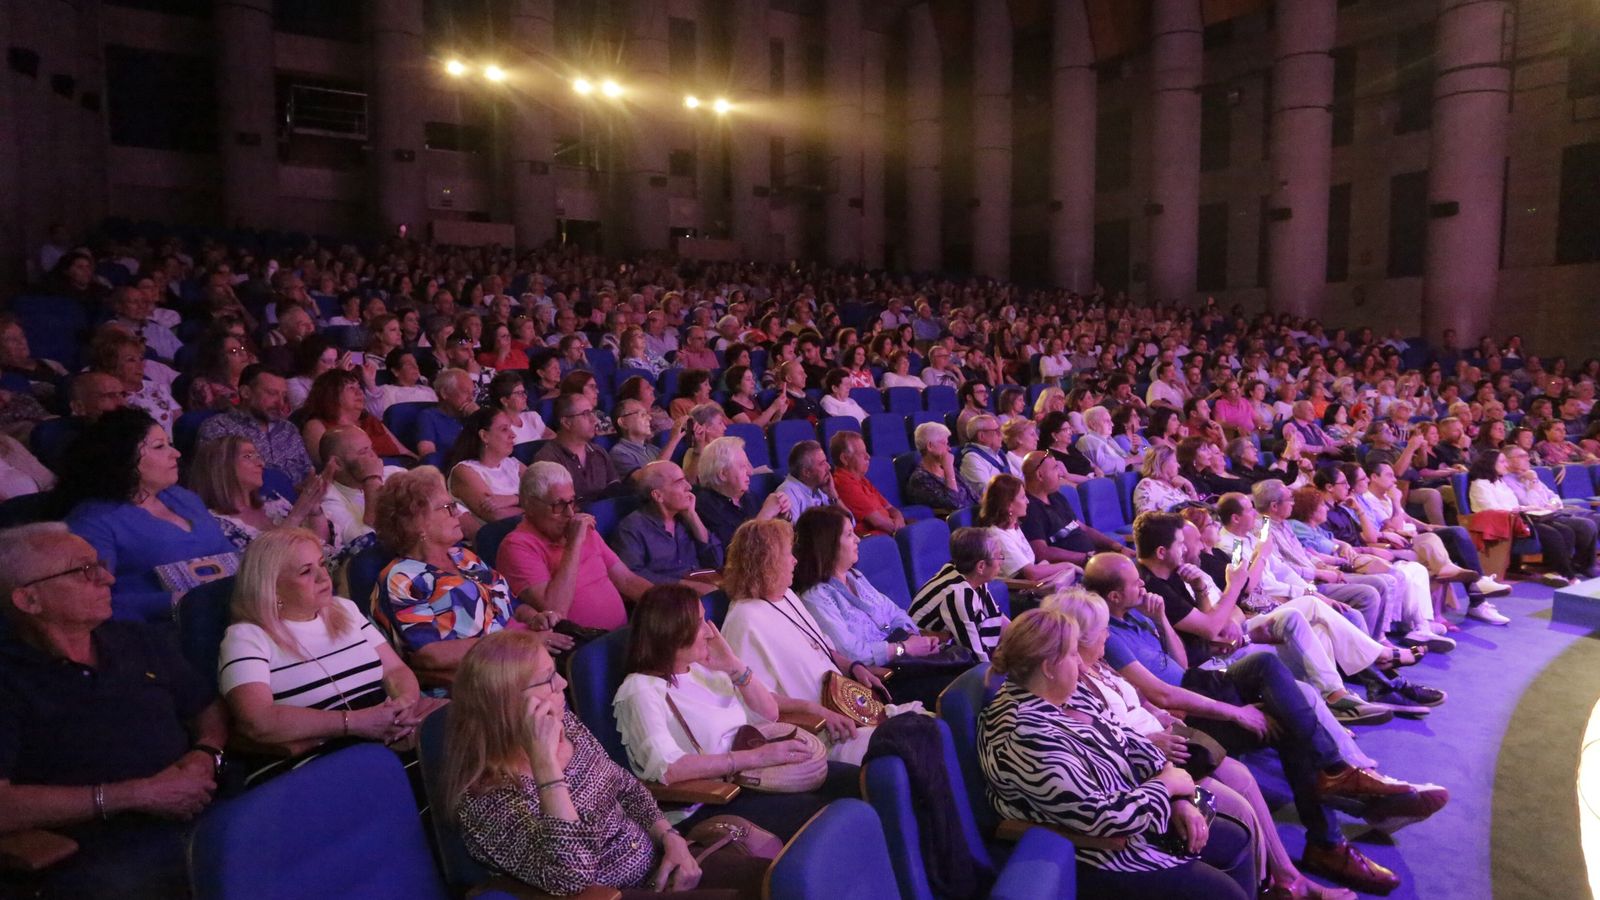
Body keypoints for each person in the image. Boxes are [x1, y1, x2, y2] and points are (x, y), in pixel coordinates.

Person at [1081, 552, 1441, 895]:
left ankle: (1337, 793)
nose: (1143, 586)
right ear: (1114, 595)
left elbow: (1179, 663)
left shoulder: (1140, 612)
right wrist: (1238, 713)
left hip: (1197, 683)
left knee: (1273, 677)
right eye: (1134, 583)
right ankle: (1332, 823)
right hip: (1185, 712)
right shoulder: (1106, 636)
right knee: (1286, 720)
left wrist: (1159, 620)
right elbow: (1165, 695)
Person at [1049, 589, 1357, 900]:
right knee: (1242, 803)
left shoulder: (1101, 664)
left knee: (1282, 722)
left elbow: (1155, 688)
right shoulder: (1072, 684)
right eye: (1102, 629)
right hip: (1154, 759)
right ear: (1080, 638)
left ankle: (1300, 863)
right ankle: (1285, 873)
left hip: (1175, 733)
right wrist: (1151, 740)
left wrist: (1161, 713)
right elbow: (1105, 741)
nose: (1108, 633)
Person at [444, 631, 766, 897]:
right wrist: (546, 767)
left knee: (770, 881)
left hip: (658, 862)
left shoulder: (566, 725)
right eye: (548, 680)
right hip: (614, 894)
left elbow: (624, 786)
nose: (563, 685)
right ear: (507, 703)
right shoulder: (485, 799)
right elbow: (573, 877)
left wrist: (671, 838)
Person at [0, 524, 227, 900]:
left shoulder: (135, 638)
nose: (107, 578)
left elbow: (206, 707)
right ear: (29, 600)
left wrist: (206, 754)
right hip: (103, 844)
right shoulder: (8, 679)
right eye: (83, 570)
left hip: (202, 801)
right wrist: (138, 794)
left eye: (100, 564)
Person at [978, 604, 1258, 900]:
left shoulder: (1069, 693)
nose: (1083, 665)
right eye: (1074, 654)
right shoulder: (1023, 733)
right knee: (1225, 894)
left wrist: (1178, 800)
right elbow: (1099, 817)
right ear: (1048, 667)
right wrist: (1166, 787)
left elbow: (1130, 741)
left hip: (1140, 812)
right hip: (1098, 852)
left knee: (1238, 839)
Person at [613, 585, 859, 838]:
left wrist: (734, 666)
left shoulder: (699, 667)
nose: (709, 631)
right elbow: (669, 768)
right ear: (671, 632)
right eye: (699, 623)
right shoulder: (640, 690)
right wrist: (758, 758)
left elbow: (769, 712)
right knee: (838, 821)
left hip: (757, 776)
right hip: (712, 800)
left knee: (861, 784)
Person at [217, 529, 431, 784]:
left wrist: (403, 705)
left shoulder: (345, 609)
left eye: (321, 564)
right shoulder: (246, 637)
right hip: (316, 762)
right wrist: (355, 723)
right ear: (271, 588)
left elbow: (396, 671)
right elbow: (258, 721)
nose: (323, 577)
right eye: (305, 571)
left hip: (387, 736)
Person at [720, 519, 892, 764]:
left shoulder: (787, 595)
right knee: (903, 745)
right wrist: (818, 712)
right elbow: (758, 704)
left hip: (849, 709)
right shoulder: (743, 619)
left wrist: (853, 667)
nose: (795, 561)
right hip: (819, 733)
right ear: (766, 563)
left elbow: (823, 645)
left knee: (925, 727)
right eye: (788, 554)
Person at [373, 467, 553, 683]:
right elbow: (429, 655)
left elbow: (510, 603)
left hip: (521, 656)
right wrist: (518, 641)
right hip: (481, 680)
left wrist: (534, 617)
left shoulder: (463, 556)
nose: (457, 512)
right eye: (447, 508)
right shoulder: (401, 578)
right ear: (416, 524)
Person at [60, 408, 237, 623]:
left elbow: (230, 559)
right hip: (162, 632)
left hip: (227, 613)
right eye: (159, 447)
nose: (176, 453)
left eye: (169, 444)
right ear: (124, 458)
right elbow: (92, 598)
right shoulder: (94, 521)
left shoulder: (183, 498)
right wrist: (180, 603)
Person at [792, 506, 961, 705]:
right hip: (885, 678)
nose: (857, 540)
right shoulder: (816, 596)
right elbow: (851, 653)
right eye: (849, 535)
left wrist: (914, 638)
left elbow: (896, 612)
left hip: (908, 659)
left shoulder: (856, 577)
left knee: (971, 673)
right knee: (960, 692)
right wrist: (903, 648)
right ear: (827, 545)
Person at [497, 462, 652, 632]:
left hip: (622, 633)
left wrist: (670, 603)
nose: (570, 513)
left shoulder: (582, 529)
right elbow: (555, 610)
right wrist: (574, 543)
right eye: (559, 505)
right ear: (530, 505)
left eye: (571, 502)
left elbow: (627, 580)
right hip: (579, 644)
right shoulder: (517, 546)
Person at [1469, 449, 1595, 585]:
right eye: (1502, 461)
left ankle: (1559, 570)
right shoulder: (1480, 484)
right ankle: (1569, 576)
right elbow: (1492, 510)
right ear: (1490, 463)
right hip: (1502, 524)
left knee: (1566, 530)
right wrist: (1524, 509)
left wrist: (1526, 508)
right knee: (1552, 534)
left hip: (1519, 518)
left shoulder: (1499, 482)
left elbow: (1515, 504)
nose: (1506, 465)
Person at [188, 435, 332, 552]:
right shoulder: (216, 524)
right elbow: (260, 568)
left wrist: (314, 509)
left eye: (258, 455)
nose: (261, 463)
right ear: (220, 467)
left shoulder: (273, 501)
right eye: (248, 456)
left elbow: (321, 545)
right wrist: (297, 514)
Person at [196, 365, 315, 484]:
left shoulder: (288, 429)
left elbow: (307, 472)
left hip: (299, 499)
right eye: (272, 393)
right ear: (246, 393)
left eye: (283, 396)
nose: (280, 403)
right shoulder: (219, 427)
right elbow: (221, 482)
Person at [615, 462, 723, 592]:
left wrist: (692, 516)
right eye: (679, 482)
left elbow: (716, 561)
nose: (689, 487)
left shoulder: (686, 518)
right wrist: (684, 586)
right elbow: (632, 576)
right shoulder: (632, 528)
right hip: (669, 601)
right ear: (658, 495)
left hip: (705, 584)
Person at [908, 526, 1010, 660]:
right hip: (925, 657)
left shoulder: (972, 576)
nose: (1001, 562)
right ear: (981, 566)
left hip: (950, 642)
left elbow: (996, 621)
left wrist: (1026, 640)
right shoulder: (957, 594)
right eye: (999, 557)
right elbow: (977, 657)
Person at [1020, 451, 1129, 567]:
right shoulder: (1028, 509)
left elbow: (1084, 529)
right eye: (1055, 469)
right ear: (1040, 475)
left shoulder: (1056, 496)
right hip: (1076, 570)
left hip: (1091, 560)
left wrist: (1117, 547)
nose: (1060, 474)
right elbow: (1041, 552)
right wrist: (1087, 558)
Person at [976, 474, 1079, 586]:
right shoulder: (998, 535)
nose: (1028, 502)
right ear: (1008, 505)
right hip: (1019, 593)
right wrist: (1067, 565)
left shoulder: (1013, 525)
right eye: (1022, 497)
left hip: (1032, 584)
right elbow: (1031, 573)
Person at [300, 368, 411, 469]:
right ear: (331, 394)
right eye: (351, 388)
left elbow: (405, 452)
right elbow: (329, 469)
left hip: (403, 470)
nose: (360, 392)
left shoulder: (370, 420)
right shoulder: (316, 426)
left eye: (359, 387)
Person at [693, 436, 791, 548]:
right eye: (742, 467)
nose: (749, 472)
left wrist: (781, 516)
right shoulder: (705, 505)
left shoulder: (748, 497)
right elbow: (734, 553)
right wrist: (766, 514)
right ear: (723, 474)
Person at [445, 407, 527, 531]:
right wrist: (527, 504)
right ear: (484, 436)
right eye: (504, 429)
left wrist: (511, 499)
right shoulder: (465, 471)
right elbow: (496, 516)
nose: (513, 434)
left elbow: (545, 495)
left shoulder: (514, 464)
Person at [87, 328, 180, 436]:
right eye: (131, 360)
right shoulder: (109, 397)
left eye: (140, 359)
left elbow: (180, 423)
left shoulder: (156, 387)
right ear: (111, 363)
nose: (140, 365)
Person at [532, 392, 621, 502]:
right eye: (586, 414)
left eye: (592, 412)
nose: (595, 420)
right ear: (566, 422)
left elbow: (616, 490)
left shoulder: (599, 452)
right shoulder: (548, 459)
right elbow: (554, 506)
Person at [829, 431, 905, 536]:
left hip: (890, 532)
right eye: (862, 453)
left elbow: (891, 508)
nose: (868, 457)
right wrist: (902, 531)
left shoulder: (861, 479)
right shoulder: (843, 483)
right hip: (877, 539)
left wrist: (899, 518)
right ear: (845, 459)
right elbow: (879, 523)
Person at [904, 421, 978, 513]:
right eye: (945, 443)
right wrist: (948, 468)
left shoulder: (946, 468)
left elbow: (973, 496)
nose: (949, 448)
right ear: (930, 446)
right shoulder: (920, 479)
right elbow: (954, 503)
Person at [415, 368, 478, 458]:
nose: (471, 398)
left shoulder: (472, 415)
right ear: (444, 393)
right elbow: (427, 456)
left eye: (472, 393)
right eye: (465, 392)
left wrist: (480, 416)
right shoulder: (428, 417)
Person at [186, 331, 255, 412]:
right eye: (234, 351)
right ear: (219, 357)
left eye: (242, 348)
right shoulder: (204, 385)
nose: (243, 353)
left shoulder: (253, 379)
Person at [775, 440, 839, 518]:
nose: (828, 467)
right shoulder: (788, 492)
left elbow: (851, 522)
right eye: (822, 464)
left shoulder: (819, 487)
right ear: (806, 472)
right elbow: (792, 530)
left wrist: (832, 494)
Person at [1134, 444, 1203, 514]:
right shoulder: (1147, 484)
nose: (1178, 466)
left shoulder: (1175, 486)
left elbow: (1198, 510)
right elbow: (1146, 518)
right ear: (1162, 463)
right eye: (1175, 461)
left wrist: (1189, 485)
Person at [959, 414, 1014, 499]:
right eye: (996, 431)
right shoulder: (972, 458)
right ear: (982, 436)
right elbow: (987, 491)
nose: (1001, 435)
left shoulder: (999, 454)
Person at [1078, 405, 1135, 474]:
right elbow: (1104, 466)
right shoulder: (1121, 439)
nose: (1112, 424)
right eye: (1107, 421)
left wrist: (1138, 449)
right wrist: (1133, 458)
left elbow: (1147, 448)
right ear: (1093, 424)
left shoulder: (1141, 438)